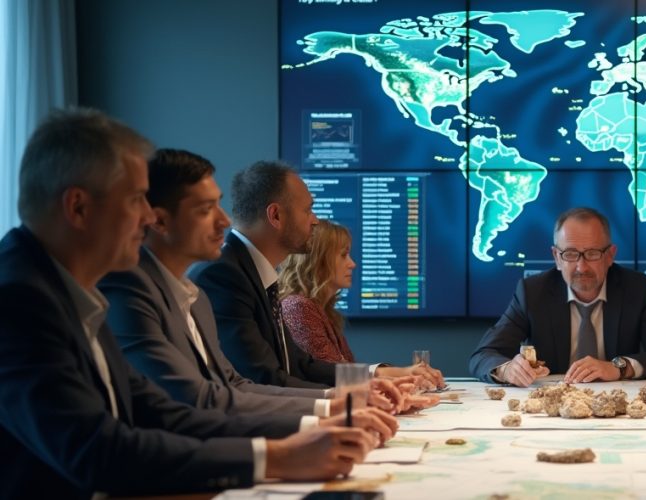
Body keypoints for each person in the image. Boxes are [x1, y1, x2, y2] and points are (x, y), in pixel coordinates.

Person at [0, 109, 377, 498]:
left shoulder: (72, 291)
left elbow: (159, 412)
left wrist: (299, 435)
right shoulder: (19, 301)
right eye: (136, 200)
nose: (149, 217)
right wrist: (275, 457)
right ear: (78, 207)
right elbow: (99, 451)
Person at [99, 149, 409, 418]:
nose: (223, 220)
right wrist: (334, 407)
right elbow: (246, 384)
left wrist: (360, 386)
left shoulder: (207, 289)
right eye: (206, 209)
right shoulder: (216, 277)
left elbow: (263, 376)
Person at [189, 161, 443, 390]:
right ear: (275, 215)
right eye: (308, 210)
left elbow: (301, 365)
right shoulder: (224, 275)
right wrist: (356, 397)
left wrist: (379, 375)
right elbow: (263, 377)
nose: (315, 220)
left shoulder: (253, 273)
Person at [469, 207, 646, 386]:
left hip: (619, 406)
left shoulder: (637, 289)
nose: (581, 267)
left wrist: (618, 367)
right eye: (570, 254)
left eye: (592, 254)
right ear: (556, 257)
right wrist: (507, 370)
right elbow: (484, 355)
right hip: (551, 407)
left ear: (610, 255)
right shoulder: (533, 292)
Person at [279, 219, 357, 363]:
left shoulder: (324, 311)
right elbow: (333, 373)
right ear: (318, 260)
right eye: (343, 255)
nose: (352, 264)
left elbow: (348, 372)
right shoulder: (298, 307)